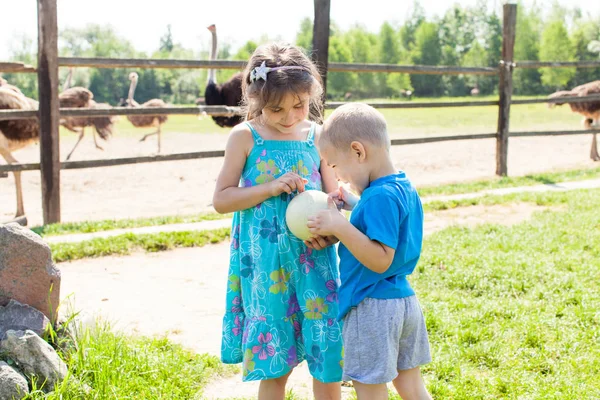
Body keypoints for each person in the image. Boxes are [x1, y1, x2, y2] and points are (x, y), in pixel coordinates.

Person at [212, 43, 343, 400]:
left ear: (311, 96)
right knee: (275, 364)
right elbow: (221, 199)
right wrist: (269, 188)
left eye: (299, 106)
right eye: (276, 109)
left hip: (314, 260)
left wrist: (333, 227)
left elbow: (335, 196)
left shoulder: (317, 136)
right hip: (266, 266)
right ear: (256, 100)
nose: (289, 117)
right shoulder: (244, 137)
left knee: (327, 356)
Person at [306, 103, 432, 400]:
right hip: (403, 302)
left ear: (358, 151)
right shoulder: (401, 187)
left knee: (370, 389)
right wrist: (351, 203)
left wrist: (339, 226)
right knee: (411, 387)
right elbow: (386, 223)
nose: (337, 177)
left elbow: (379, 258)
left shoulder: (378, 197)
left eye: (335, 166)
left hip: (371, 306)